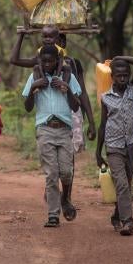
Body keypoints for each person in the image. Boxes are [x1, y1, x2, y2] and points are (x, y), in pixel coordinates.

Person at [23, 45, 81, 228]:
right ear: (40, 61)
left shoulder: (68, 77)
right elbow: (28, 107)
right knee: (51, 173)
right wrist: (33, 87)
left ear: (57, 61)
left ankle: (64, 197)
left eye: (51, 61)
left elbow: (76, 106)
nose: (47, 64)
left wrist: (66, 89)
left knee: (66, 172)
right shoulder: (34, 77)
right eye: (44, 61)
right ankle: (53, 214)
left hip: (64, 130)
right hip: (45, 129)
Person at [96, 56, 133, 236]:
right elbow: (102, 125)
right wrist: (98, 152)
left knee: (126, 185)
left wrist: (120, 58)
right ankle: (128, 222)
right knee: (121, 184)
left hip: (130, 146)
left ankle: (117, 215)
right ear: (112, 77)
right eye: (119, 76)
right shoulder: (106, 98)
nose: (123, 79)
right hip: (113, 147)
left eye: (125, 75)